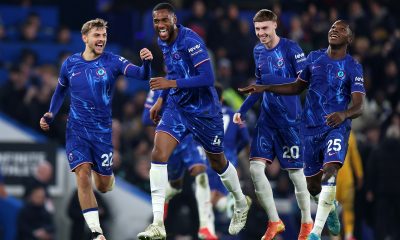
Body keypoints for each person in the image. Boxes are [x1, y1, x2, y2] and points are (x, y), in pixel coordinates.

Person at [239, 20, 365, 240]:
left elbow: (359, 105)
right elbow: (297, 86)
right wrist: (266, 87)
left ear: (349, 39)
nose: (334, 30)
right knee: (312, 186)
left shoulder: (353, 66)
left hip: (336, 126)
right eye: (332, 27)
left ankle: (315, 232)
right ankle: (331, 207)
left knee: (331, 168)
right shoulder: (314, 58)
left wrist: (344, 114)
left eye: (341, 29)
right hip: (309, 128)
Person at [137, 3, 251, 240]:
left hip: (204, 110)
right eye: (156, 21)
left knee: (218, 162)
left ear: (174, 19)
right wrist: (161, 100)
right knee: (158, 154)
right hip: (178, 106)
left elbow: (208, 77)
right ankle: (158, 223)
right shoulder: (162, 41)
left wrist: (171, 85)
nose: (160, 25)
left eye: (164, 20)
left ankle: (240, 201)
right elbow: (174, 72)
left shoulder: (192, 41)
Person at [39, 18, 153, 240]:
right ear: (85, 38)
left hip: (101, 133)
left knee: (102, 185)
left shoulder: (112, 61)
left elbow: (141, 74)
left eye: (104, 36)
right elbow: (60, 91)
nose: (101, 40)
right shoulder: (70, 64)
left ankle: (106, 177)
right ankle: (96, 232)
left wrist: (146, 63)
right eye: (97, 36)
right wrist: (51, 113)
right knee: (82, 175)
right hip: (77, 130)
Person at [233, 9, 312, 240]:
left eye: (265, 28)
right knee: (256, 170)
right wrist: (242, 109)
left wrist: (267, 85)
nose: (261, 34)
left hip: (289, 121)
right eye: (257, 29)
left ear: (275, 25)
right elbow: (259, 84)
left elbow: (302, 83)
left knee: (296, 175)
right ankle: (274, 221)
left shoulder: (291, 49)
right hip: (267, 120)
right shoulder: (258, 50)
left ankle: (306, 223)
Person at [142, 89, 217, 239]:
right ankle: (162, 210)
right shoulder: (157, 89)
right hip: (171, 142)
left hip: (190, 141)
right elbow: (146, 119)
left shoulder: (196, 85)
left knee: (199, 172)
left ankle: (205, 227)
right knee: (176, 186)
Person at [336, 131, 363, 240]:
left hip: (333, 178)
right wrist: (360, 175)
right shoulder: (349, 134)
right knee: (347, 209)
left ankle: (338, 235)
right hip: (346, 178)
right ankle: (347, 234)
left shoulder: (325, 132)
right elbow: (355, 156)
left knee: (332, 209)